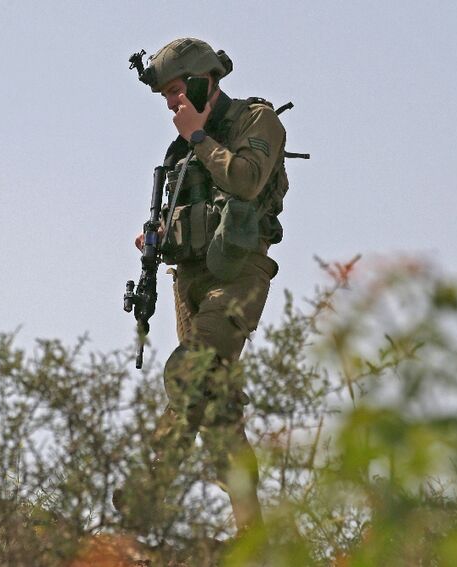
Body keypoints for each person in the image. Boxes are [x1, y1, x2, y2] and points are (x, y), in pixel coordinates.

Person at [117, 38, 290, 538]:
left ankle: (149, 491)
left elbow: (246, 181)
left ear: (200, 80)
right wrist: (155, 237)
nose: (172, 104)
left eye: (176, 91)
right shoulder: (182, 149)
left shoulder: (255, 122)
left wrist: (197, 137)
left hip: (237, 277)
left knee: (189, 372)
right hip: (188, 281)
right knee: (216, 410)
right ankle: (255, 534)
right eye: (166, 97)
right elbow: (194, 216)